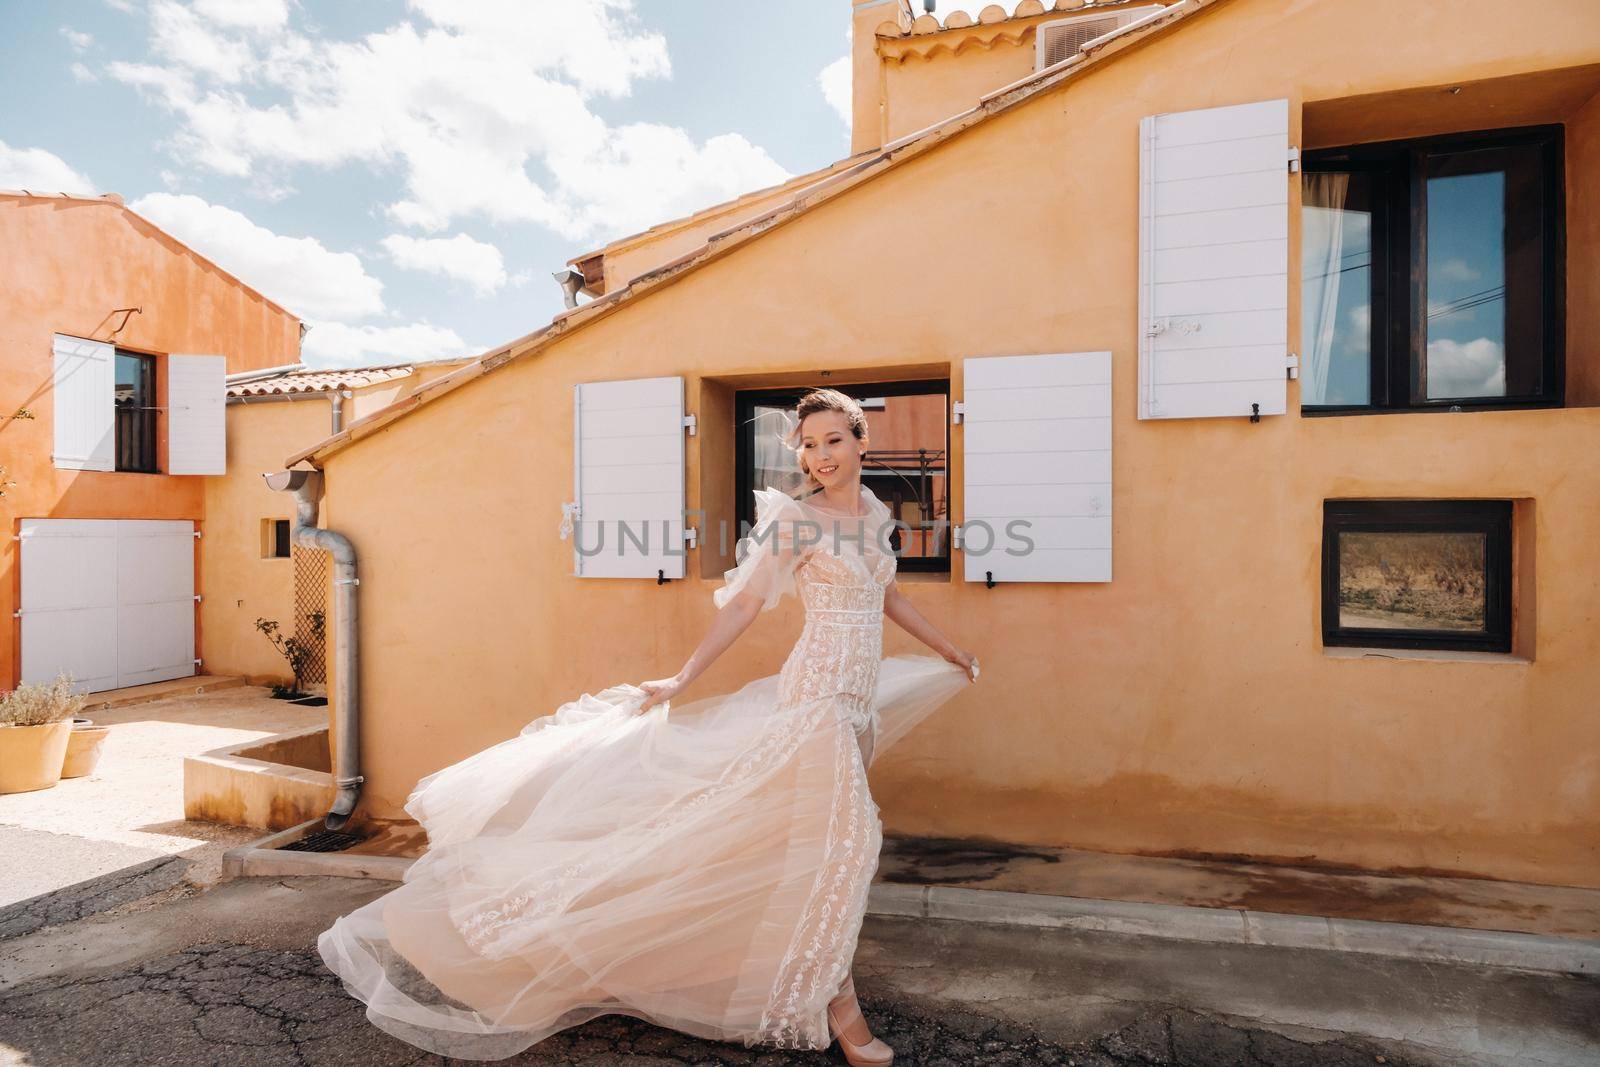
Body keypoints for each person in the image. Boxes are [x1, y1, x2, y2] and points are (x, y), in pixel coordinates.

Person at [317, 388, 979, 1064]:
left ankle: (785, 973)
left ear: (862, 441)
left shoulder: (874, 513)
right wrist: (684, 677)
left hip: (859, 699)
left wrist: (947, 648)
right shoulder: (796, 521)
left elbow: (888, 594)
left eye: (832, 440)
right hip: (816, 698)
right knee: (842, 843)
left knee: (804, 846)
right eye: (807, 443)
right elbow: (746, 605)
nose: (819, 455)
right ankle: (842, 1009)